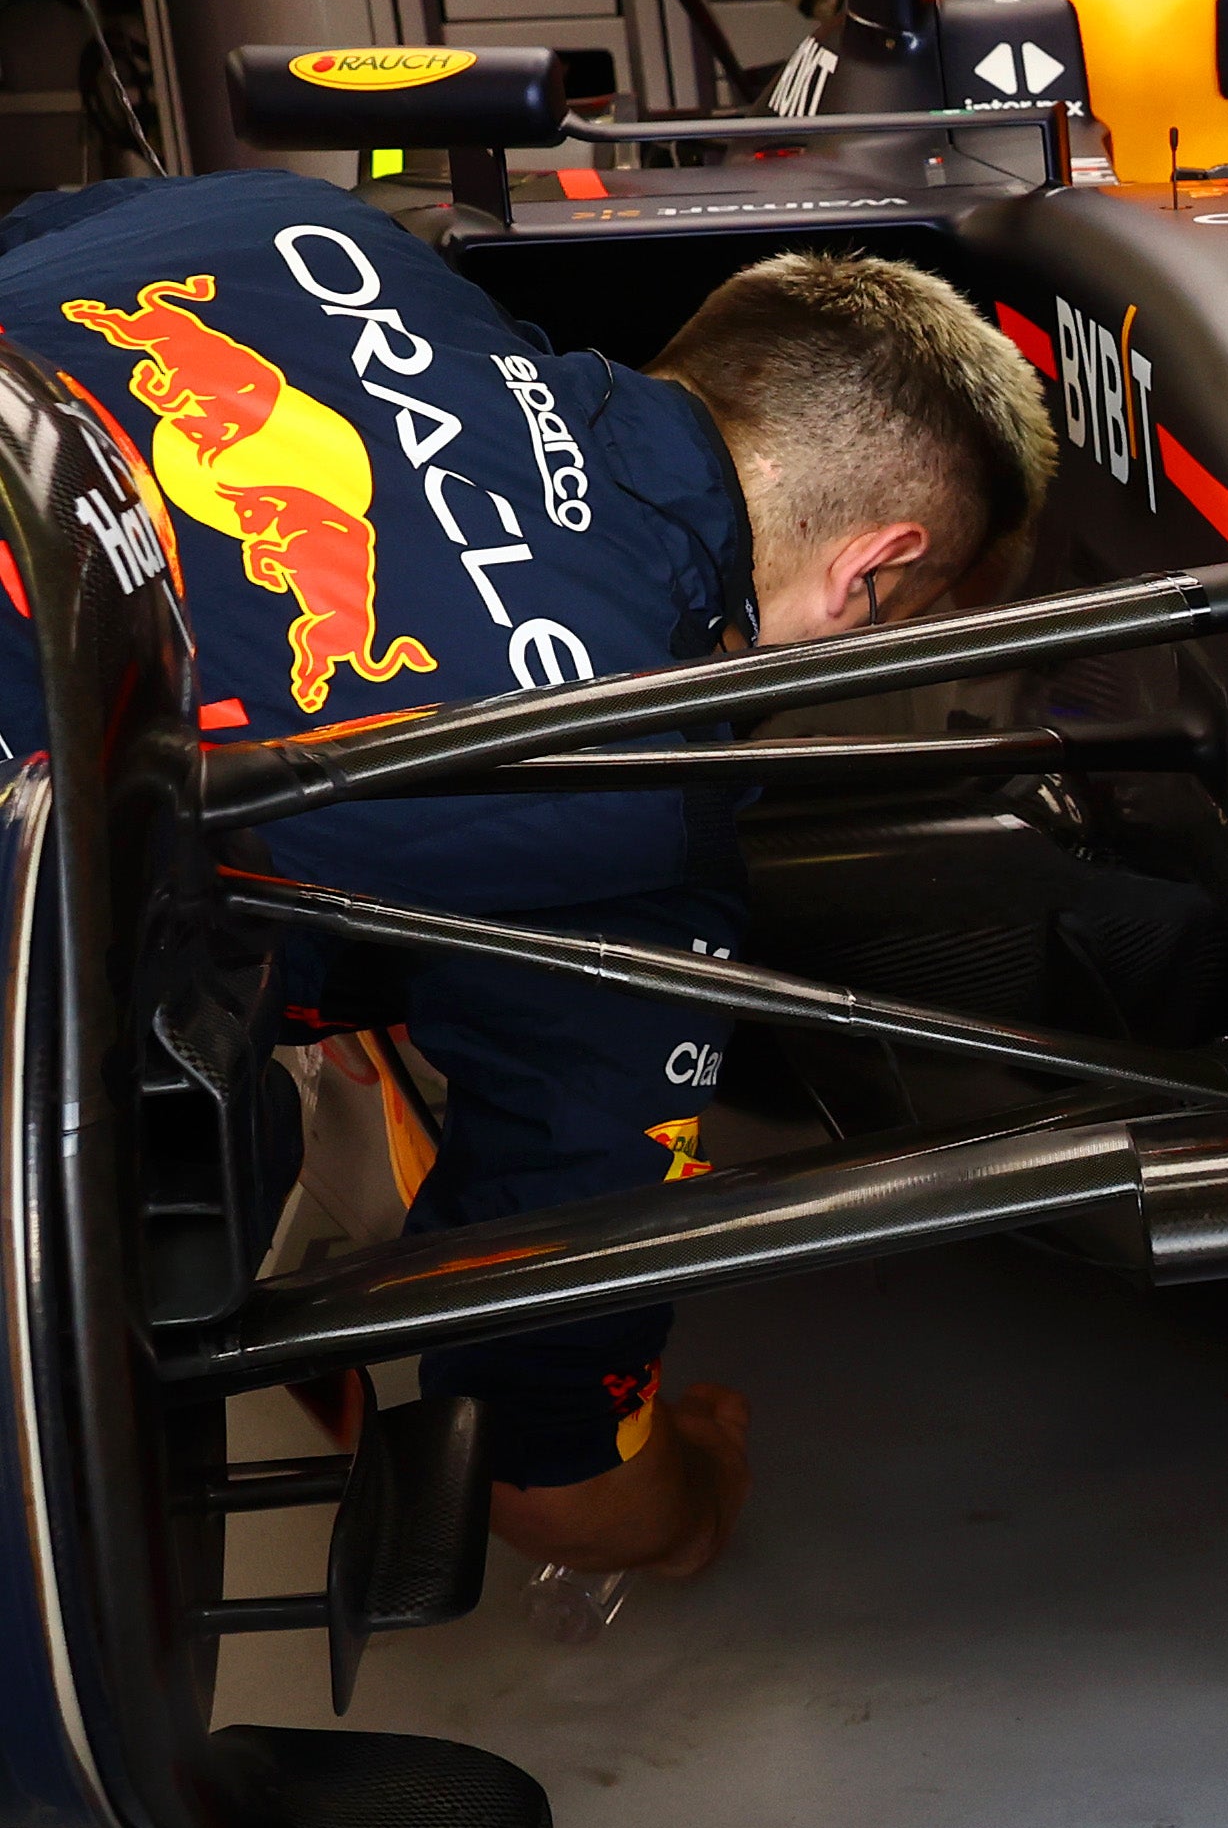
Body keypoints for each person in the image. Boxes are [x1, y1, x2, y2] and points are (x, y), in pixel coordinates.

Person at [0, 183, 1053, 1584]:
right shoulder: (629, 824)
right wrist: (694, 1488)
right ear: (874, 574)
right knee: (192, 1126)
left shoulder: (304, 227)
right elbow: (552, 1481)